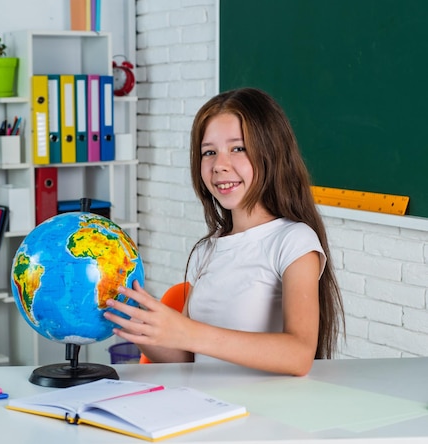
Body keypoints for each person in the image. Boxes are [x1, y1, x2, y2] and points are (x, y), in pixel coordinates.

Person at [104, 87, 345, 376]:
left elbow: (299, 354)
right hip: (208, 410)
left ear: (270, 153)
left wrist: (188, 331)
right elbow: (185, 357)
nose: (220, 165)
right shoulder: (206, 251)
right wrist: (141, 326)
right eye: (209, 152)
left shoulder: (294, 240)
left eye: (238, 148)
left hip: (266, 416)